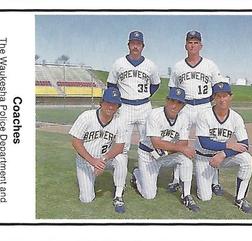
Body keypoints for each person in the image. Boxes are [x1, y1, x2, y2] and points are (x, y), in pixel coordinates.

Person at [168, 30, 226, 195]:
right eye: (190, 42)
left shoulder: (210, 65)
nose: (192, 45)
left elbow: (218, 88)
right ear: (185, 45)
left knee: (209, 142)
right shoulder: (178, 66)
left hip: (204, 106)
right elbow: (173, 90)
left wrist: (217, 107)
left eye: (195, 42)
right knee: (180, 141)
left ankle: (214, 181)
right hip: (185, 107)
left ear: (201, 45)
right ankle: (176, 179)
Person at [130, 87, 200, 212]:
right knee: (149, 196)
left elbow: (184, 142)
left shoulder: (184, 118)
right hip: (148, 154)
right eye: (172, 101)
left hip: (168, 153)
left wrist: (171, 150)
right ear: (166, 100)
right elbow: (156, 143)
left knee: (186, 157)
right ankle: (137, 174)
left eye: (179, 103)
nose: (174, 105)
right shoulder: (154, 114)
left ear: (183, 105)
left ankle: (186, 195)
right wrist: (179, 148)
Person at [107, 30, 161, 174]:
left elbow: (155, 84)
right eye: (133, 43)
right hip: (124, 106)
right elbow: (111, 85)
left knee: (147, 142)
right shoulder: (119, 63)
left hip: (144, 106)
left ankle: (145, 175)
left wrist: (145, 94)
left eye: (138, 44)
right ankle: (120, 178)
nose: (135, 46)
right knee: (123, 144)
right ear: (128, 45)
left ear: (142, 46)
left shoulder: (150, 65)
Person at [195, 82, 252, 213]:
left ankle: (240, 198)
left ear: (230, 97)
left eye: (225, 95)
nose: (222, 99)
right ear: (214, 97)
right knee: (205, 197)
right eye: (218, 96)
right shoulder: (204, 115)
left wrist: (223, 154)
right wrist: (228, 145)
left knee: (246, 159)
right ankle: (211, 179)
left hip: (222, 157)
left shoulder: (236, 118)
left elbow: (244, 144)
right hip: (204, 158)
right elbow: (205, 143)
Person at [69, 88, 128, 213]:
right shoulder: (87, 116)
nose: (111, 107)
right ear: (101, 103)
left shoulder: (120, 120)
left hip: (105, 158)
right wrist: (93, 161)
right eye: (108, 102)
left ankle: (118, 195)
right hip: (85, 160)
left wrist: (102, 160)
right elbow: (75, 141)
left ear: (118, 106)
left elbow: (120, 146)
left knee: (121, 158)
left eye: (114, 104)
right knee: (86, 199)